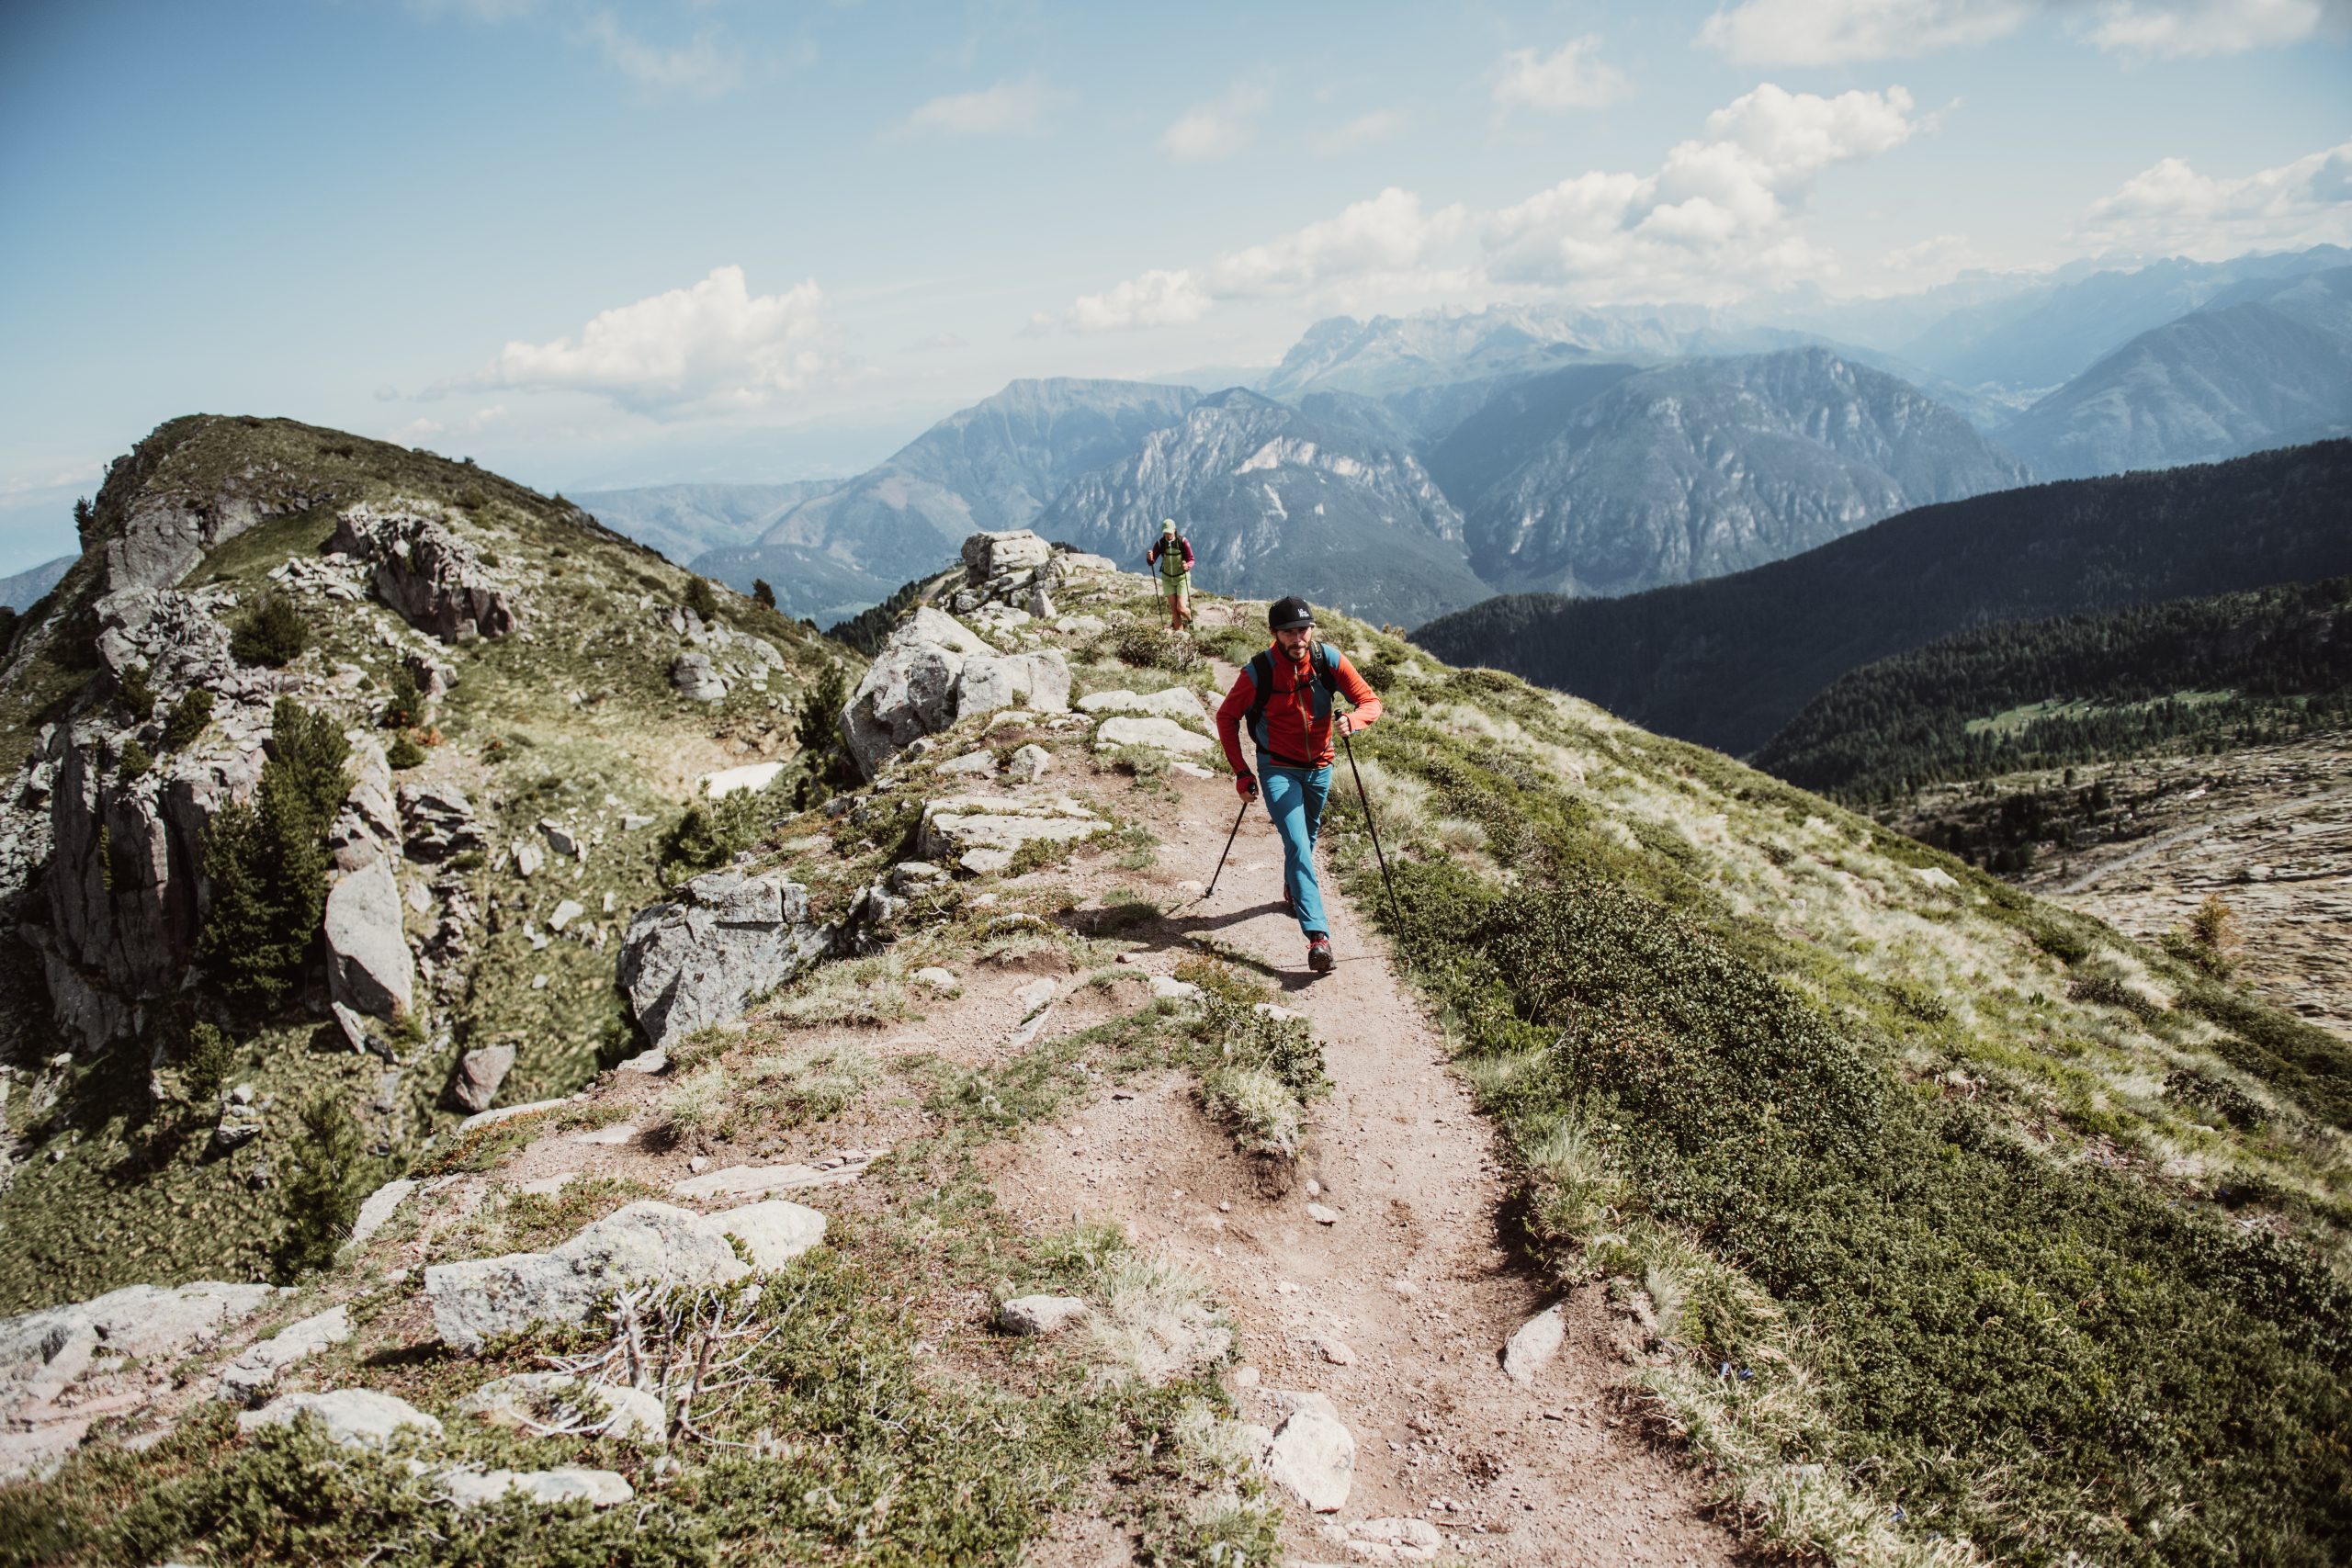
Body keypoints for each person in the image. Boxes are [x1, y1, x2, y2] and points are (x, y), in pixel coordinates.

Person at [1215, 596, 1383, 974]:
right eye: (1289, 631)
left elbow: (1370, 701)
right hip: (1278, 768)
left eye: (1303, 629)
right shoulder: (1259, 671)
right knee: (1297, 843)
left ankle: (1293, 887)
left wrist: (1355, 721)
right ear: (1274, 633)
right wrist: (1242, 771)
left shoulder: (1329, 661)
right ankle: (1318, 937)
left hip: (1320, 767)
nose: (1297, 638)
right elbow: (1226, 717)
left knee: (1307, 837)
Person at [1144, 518, 1193, 630]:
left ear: (1175, 530)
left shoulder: (1182, 542)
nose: (1167, 535)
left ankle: (1189, 618)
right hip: (1167, 580)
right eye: (1165, 533)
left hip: (1181, 579)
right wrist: (1149, 558)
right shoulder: (1160, 543)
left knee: (1180, 608)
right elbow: (1151, 562)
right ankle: (1180, 635)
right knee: (1174, 610)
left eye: (1169, 533)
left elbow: (1191, 559)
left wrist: (1187, 566)